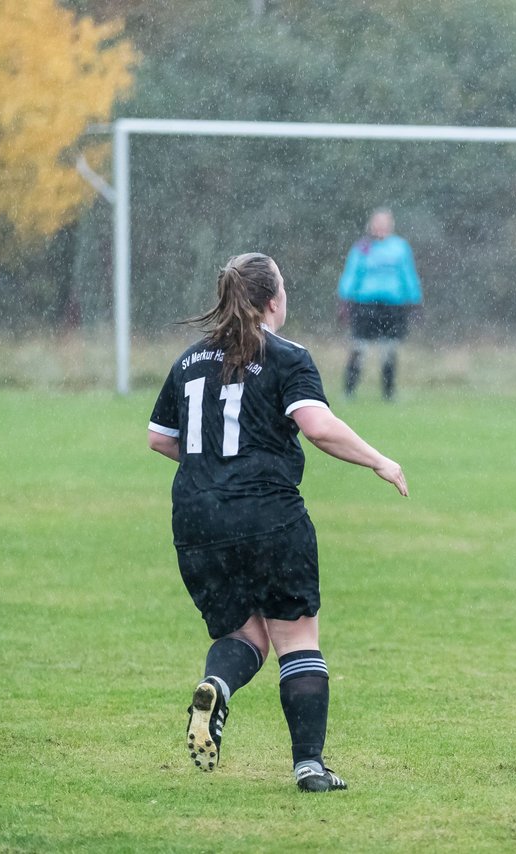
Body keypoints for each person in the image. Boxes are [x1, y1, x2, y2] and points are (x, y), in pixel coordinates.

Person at [147, 252, 408, 790]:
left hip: (196, 518)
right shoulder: (288, 357)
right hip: (268, 514)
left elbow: (159, 438)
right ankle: (309, 765)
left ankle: (216, 682)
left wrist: (216, 465)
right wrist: (380, 460)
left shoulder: (190, 361)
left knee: (245, 635)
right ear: (272, 301)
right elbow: (318, 426)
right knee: (296, 637)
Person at [337, 208, 424, 400]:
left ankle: (388, 393)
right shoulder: (362, 248)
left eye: (385, 224)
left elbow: (408, 275)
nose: (381, 228)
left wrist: (415, 301)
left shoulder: (400, 248)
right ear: (371, 225)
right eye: (378, 223)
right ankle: (348, 392)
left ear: (391, 225)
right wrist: (344, 301)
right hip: (365, 305)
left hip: (393, 307)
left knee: (389, 350)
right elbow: (351, 274)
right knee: (359, 348)